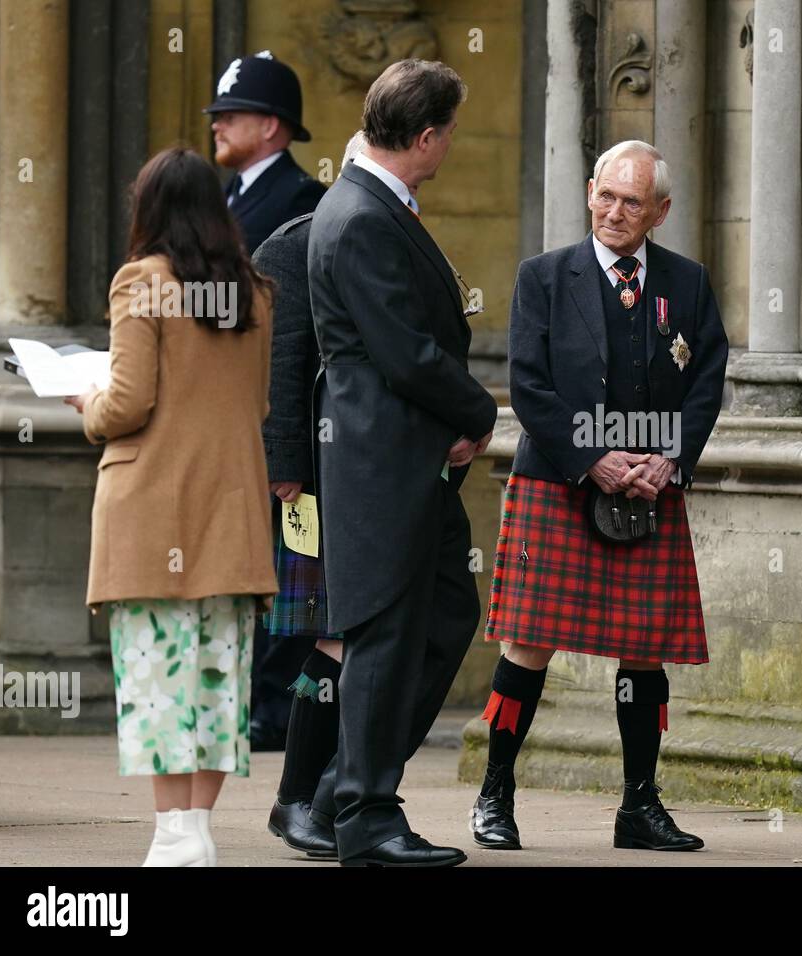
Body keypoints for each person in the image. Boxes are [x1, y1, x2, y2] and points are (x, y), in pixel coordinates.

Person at [470, 139, 728, 852]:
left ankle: (639, 807)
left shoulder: (689, 282)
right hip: (559, 479)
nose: (616, 212)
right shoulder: (544, 277)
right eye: (607, 196)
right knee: (528, 642)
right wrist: (594, 458)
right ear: (590, 192)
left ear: (660, 211)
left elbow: (707, 379)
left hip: (652, 486)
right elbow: (528, 384)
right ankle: (495, 794)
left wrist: (668, 459)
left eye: (633, 202)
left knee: (646, 649)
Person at [304, 59, 497, 867]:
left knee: (447, 613)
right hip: (381, 461)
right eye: (448, 131)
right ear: (424, 137)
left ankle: (343, 791)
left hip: (402, 456)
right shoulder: (361, 215)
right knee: (384, 637)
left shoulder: (369, 205)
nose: (451, 144)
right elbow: (406, 353)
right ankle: (368, 819)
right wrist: (477, 410)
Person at [67, 146, 277, 866]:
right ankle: (195, 830)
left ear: (148, 210)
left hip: (154, 510)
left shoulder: (140, 282)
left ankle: (174, 836)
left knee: (157, 675)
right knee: (219, 675)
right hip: (231, 507)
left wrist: (84, 402)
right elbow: (257, 404)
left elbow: (127, 403)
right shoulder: (254, 291)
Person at [205, 50, 326, 750]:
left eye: (232, 113)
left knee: (289, 566)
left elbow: (293, 330)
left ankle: (278, 707)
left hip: (274, 415)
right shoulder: (229, 198)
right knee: (252, 561)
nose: (218, 124)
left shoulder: (302, 199)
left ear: (273, 126)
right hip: (227, 412)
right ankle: (253, 699)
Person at [257, 131, 367, 853]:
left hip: (382, 471)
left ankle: (334, 794)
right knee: (329, 628)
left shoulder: (397, 235)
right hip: (324, 477)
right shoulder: (294, 246)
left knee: (360, 632)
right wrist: (288, 469)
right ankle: (299, 797)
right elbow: (282, 370)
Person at [206, 51, 326, 254]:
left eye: (230, 117)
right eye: (217, 117)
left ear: (269, 127)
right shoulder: (227, 192)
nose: (216, 126)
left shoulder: (301, 197)